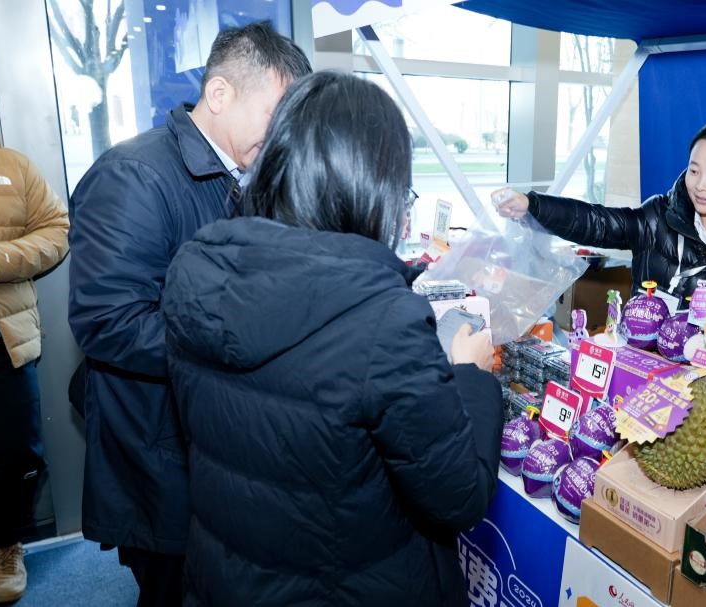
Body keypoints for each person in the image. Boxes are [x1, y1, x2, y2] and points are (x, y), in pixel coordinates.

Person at [161, 71, 503, 606]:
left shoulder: (194, 271)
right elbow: (457, 495)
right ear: (371, 185)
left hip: (227, 576)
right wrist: (470, 376)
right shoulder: (383, 322)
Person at [67, 21, 310, 605]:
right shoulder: (134, 176)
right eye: (276, 114)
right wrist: (241, 344)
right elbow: (108, 322)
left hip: (209, 438)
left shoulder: (243, 174)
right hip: (159, 445)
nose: (283, 136)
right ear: (220, 94)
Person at [494, 118, 706, 415]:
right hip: (639, 381)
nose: (701, 186)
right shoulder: (658, 218)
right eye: (694, 171)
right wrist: (533, 206)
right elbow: (599, 222)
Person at [0, 108, 69, 606]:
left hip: (1, 338)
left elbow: (56, 228)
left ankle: (7, 544)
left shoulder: (11, 164)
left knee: (15, 452)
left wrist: (1, 258)